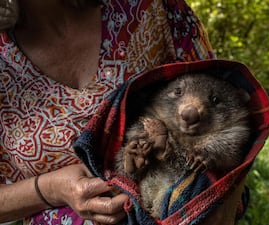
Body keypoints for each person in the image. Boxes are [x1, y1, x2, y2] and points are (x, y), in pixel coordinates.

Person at [0, 0, 245, 224]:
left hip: (185, 200)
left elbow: (229, 105)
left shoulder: (154, 9)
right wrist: (52, 189)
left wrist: (220, 204)